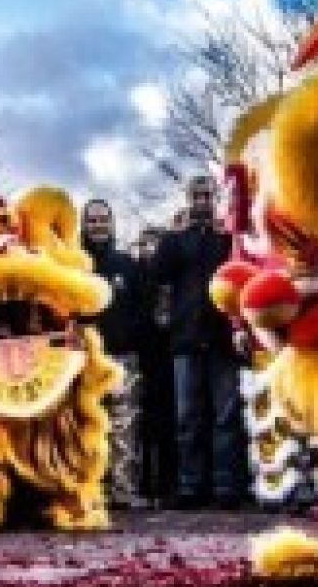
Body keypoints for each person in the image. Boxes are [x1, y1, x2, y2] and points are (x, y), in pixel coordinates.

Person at [150, 175, 246, 508]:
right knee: (187, 418)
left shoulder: (227, 238)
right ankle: (190, 486)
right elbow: (157, 272)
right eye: (197, 196)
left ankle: (226, 487)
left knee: (226, 415)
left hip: (222, 338)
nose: (203, 201)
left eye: (208, 195)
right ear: (189, 199)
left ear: (215, 198)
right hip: (186, 339)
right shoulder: (176, 240)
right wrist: (172, 234)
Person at [78, 199, 146, 507]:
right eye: (91, 220)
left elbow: (142, 309)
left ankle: (123, 490)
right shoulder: (75, 265)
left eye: (103, 219)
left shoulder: (127, 265)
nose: (97, 225)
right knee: (84, 424)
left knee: (124, 425)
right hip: (82, 358)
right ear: (83, 224)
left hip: (122, 357)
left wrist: (131, 338)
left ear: (112, 222)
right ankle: (87, 490)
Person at [132, 226, 177, 506]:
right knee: (142, 425)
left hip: (170, 356)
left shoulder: (171, 276)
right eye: (145, 245)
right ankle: (143, 483)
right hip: (142, 355)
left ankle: (167, 485)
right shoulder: (134, 274)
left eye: (156, 245)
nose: (151, 250)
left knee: (169, 424)